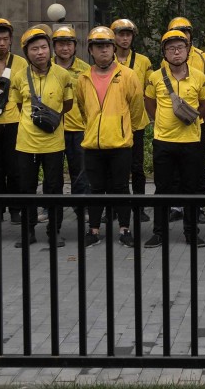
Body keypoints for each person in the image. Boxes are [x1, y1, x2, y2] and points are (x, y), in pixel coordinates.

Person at [75, 26, 146, 247]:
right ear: (91, 50)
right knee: (95, 189)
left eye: (107, 46)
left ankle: (124, 229)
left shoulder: (128, 75)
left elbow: (136, 108)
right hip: (93, 145)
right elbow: (82, 107)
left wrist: (124, 130)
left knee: (121, 188)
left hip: (120, 143)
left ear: (113, 48)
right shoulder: (83, 78)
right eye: (98, 46)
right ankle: (94, 230)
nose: (103, 50)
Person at [9, 26, 74, 247]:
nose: (40, 52)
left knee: (54, 188)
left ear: (50, 49)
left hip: (54, 143)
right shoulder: (19, 77)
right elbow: (20, 105)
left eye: (44, 47)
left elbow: (67, 104)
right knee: (26, 188)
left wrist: (50, 120)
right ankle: (28, 231)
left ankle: (54, 231)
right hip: (26, 143)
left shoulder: (62, 75)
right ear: (27, 52)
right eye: (34, 48)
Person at [145, 29, 205, 248]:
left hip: (191, 141)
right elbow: (149, 102)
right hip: (163, 141)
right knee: (162, 189)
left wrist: (193, 118)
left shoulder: (199, 76)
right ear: (164, 52)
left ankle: (191, 232)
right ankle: (159, 232)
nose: (176, 52)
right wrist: (160, 121)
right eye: (171, 48)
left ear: (188, 50)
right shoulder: (155, 77)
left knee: (191, 189)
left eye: (180, 48)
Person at [165, 16, 205, 224]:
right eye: (177, 31)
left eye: (185, 31)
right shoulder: (167, 58)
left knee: (198, 166)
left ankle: (199, 206)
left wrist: (200, 115)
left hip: (198, 122)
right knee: (176, 167)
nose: (182, 35)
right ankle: (176, 206)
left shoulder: (204, 57)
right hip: (173, 125)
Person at [111, 18, 153, 221]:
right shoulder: (105, 59)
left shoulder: (143, 61)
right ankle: (114, 207)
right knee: (113, 166)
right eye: (121, 34)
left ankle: (139, 206)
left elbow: (149, 89)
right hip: (112, 120)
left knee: (136, 166)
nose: (125, 38)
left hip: (136, 121)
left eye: (128, 34)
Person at [0, 18, 26, 224]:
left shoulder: (20, 62)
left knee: (14, 167)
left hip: (14, 121)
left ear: (11, 41)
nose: (2, 43)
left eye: (6, 39)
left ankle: (16, 208)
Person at [52, 26, 90, 202]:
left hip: (79, 128)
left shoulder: (85, 69)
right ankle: (51, 207)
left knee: (80, 171)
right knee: (54, 172)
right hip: (53, 128)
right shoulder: (47, 68)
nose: (65, 48)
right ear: (54, 46)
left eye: (68, 44)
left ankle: (81, 206)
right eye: (60, 44)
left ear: (75, 46)